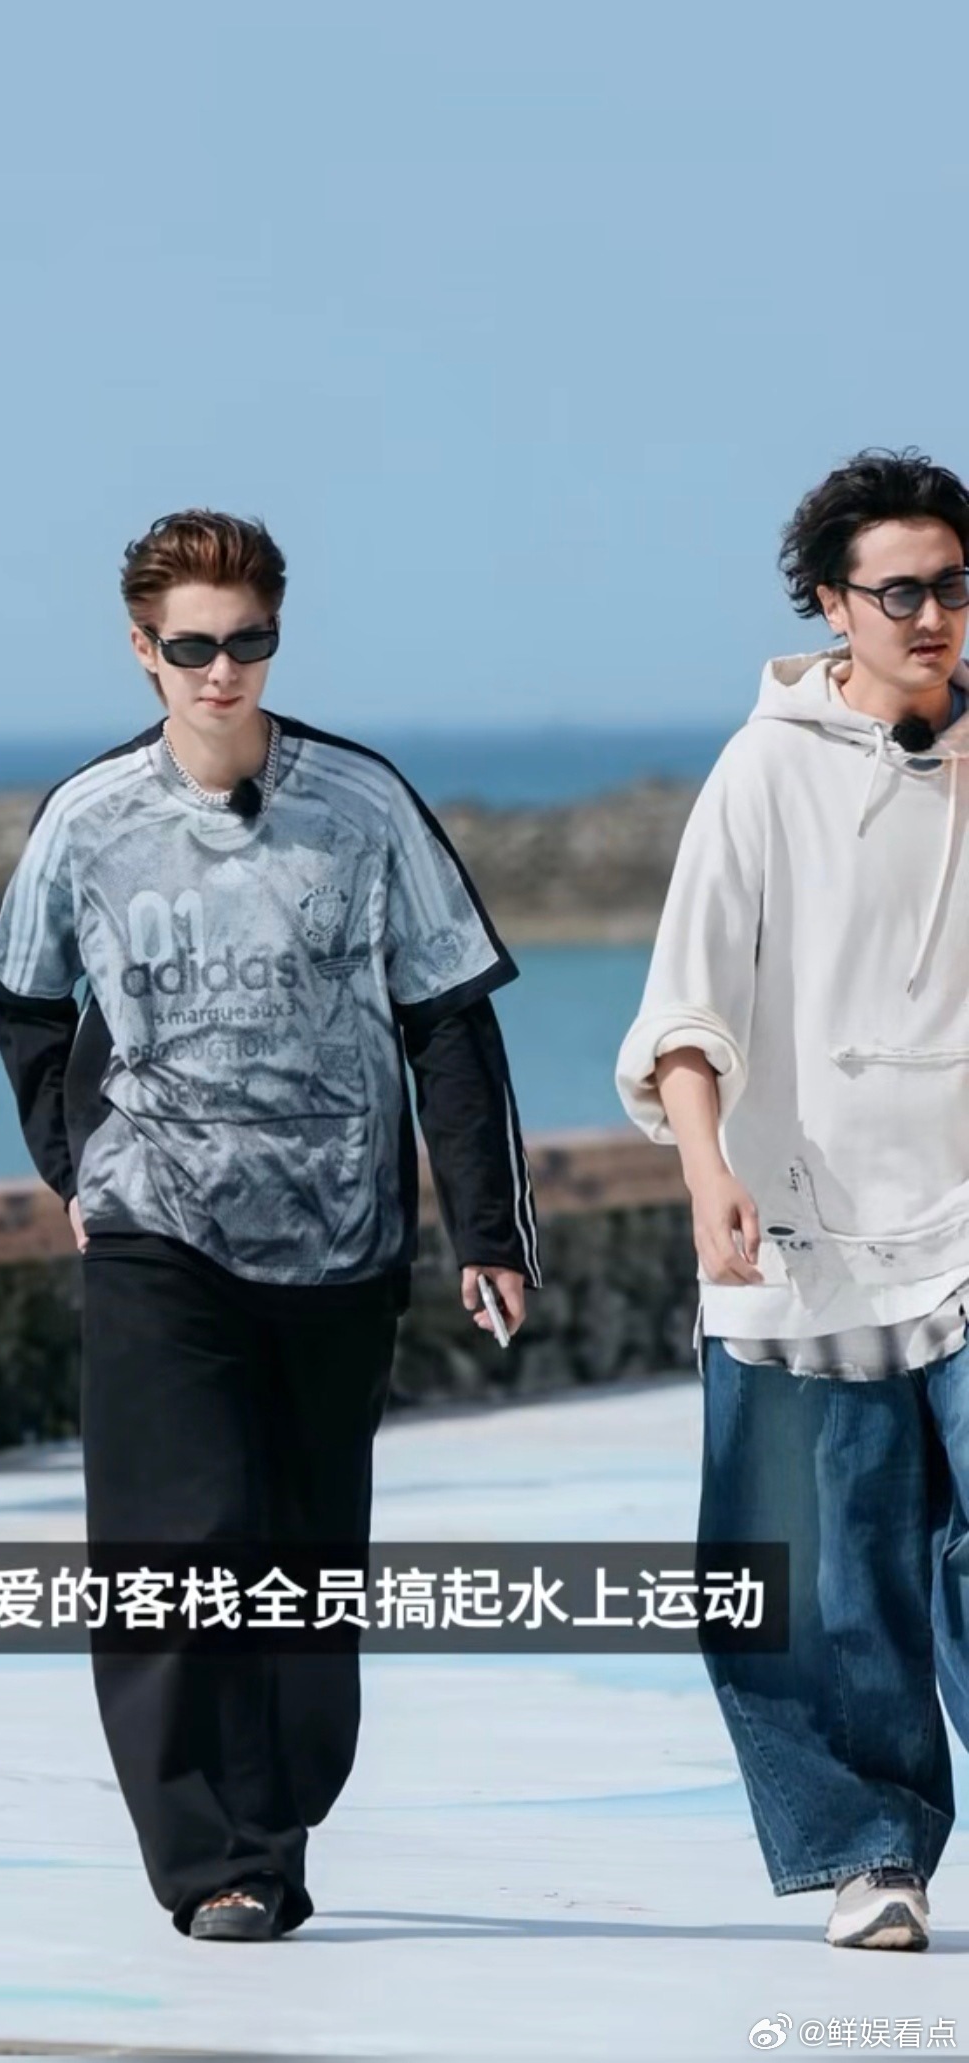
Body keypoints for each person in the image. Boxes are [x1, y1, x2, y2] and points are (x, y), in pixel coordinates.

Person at [0, 508, 540, 1941]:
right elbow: (21, 992)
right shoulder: (89, 820)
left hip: (339, 1236)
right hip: (155, 1226)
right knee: (177, 1546)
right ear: (141, 650)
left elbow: (448, 1018)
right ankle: (216, 1860)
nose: (221, 671)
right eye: (192, 648)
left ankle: (275, 1816)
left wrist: (487, 1230)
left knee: (300, 1560)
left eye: (249, 642)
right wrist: (77, 1166)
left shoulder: (363, 802)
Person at [616, 448, 969, 1953]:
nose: (932, 616)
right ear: (832, 603)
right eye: (900, 592)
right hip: (812, 1229)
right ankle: (868, 1848)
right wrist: (709, 1172)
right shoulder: (761, 772)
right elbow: (687, 1007)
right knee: (825, 1570)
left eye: (954, 586)